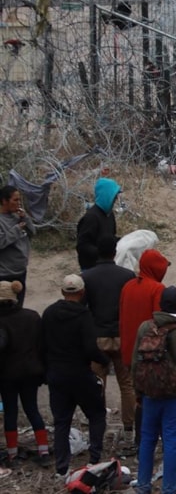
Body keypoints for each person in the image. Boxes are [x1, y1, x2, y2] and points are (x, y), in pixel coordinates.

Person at [133, 287, 176, 494]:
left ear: (160, 305)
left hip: (149, 394)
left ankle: (143, 485)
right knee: (171, 443)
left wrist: (138, 392)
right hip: (174, 395)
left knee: (147, 440)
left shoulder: (145, 327)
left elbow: (135, 364)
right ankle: (169, 489)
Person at [41, 275, 109, 479]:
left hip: (57, 374)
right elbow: (90, 348)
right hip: (80, 374)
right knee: (96, 414)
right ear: (82, 292)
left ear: (62, 291)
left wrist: (47, 370)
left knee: (61, 422)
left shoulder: (49, 313)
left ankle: (62, 468)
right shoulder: (84, 315)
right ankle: (94, 459)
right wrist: (104, 359)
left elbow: (41, 344)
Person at [81, 236, 137, 446]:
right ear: (115, 252)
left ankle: (99, 429)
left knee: (97, 384)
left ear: (98, 252)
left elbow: (83, 310)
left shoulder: (87, 277)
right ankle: (129, 430)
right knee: (127, 384)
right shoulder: (127, 276)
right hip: (121, 336)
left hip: (98, 338)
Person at [119, 248, 170, 447]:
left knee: (139, 395)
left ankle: (140, 442)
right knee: (154, 398)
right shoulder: (157, 289)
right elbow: (159, 324)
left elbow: (122, 319)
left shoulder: (128, 286)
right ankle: (152, 442)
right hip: (149, 354)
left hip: (129, 351)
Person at [0, 280, 49, 468]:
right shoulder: (32, 316)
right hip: (31, 372)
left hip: (6, 375)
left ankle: (12, 455)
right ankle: (43, 450)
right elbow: (42, 345)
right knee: (32, 409)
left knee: (10, 412)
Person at [76, 178, 121, 270]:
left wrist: (124, 241)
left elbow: (111, 237)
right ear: (107, 196)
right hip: (91, 267)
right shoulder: (91, 217)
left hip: (106, 264)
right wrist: (102, 252)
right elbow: (82, 246)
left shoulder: (109, 214)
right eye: (114, 196)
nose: (116, 199)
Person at [0, 186, 35, 306]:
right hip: (5, 274)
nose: (19, 203)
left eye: (19, 200)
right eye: (15, 200)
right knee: (6, 309)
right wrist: (17, 229)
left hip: (20, 271)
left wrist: (25, 218)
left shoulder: (17, 216)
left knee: (19, 306)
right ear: (4, 201)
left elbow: (32, 233)